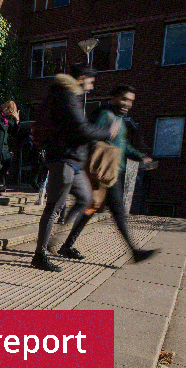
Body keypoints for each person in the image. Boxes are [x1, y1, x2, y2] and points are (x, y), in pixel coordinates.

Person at [31, 63, 121, 273]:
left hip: (74, 160)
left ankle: (63, 240)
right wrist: (107, 132)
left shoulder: (69, 96)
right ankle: (40, 255)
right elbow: (81, 129)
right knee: (53, 208)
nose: (91, 86)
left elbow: (78, 129)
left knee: (85, 199)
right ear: (81, 78)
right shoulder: (66, 96)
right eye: (90, 82)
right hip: (63, 159)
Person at [59, 84, 157, 263]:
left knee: (91, 210)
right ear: (113, 98)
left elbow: (123, 146)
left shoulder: (119, 120)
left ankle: (66, 244)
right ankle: (134, 251)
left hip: (112, 173)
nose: (127, 104)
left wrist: (140, 157)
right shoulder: (106, 115)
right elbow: (91, 138)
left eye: (130, 101)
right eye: (124, 99)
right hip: (103, 173)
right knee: (115, 212)